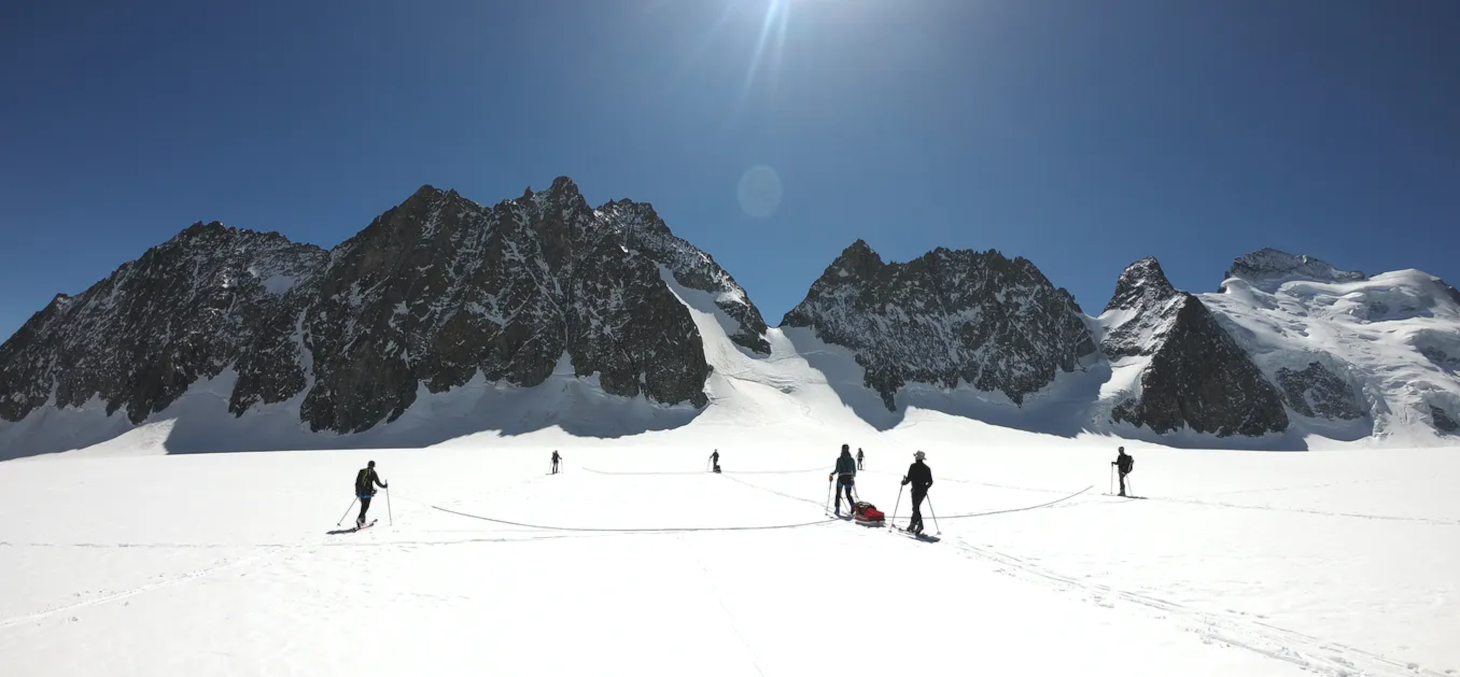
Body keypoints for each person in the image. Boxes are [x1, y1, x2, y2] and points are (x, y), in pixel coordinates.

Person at [901, 451, 933, 535]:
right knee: (916, 507)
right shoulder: (927, 468)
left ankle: (919, 524)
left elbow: (908, 479)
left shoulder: (913, 466)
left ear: (917, 457)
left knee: (915, 508)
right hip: (923, 491)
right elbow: (930, 482)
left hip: (915, 490)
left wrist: (903, 482)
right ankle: (912, 524)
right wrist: (925, 488)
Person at [354, 461, 388, 528]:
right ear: (373, 466)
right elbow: (378, 483)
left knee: (363, 506)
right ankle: (360, 519)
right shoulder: (373, 473)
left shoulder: (362, 471)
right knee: (365, 507)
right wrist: (384, 486)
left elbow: (357, 482)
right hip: (368, 493)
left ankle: (362, 522)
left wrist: (357, 491)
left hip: (361, 493)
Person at [828, 444, 857, 516]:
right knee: (848, 494)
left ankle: (837, 509)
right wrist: (852, 477)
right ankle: (853, 506)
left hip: (841, 478)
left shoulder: (839, 459)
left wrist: (832, 474)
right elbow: (854, 470)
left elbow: (837, 469)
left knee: (838, 494)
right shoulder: (852, 459)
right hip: (849, 479)